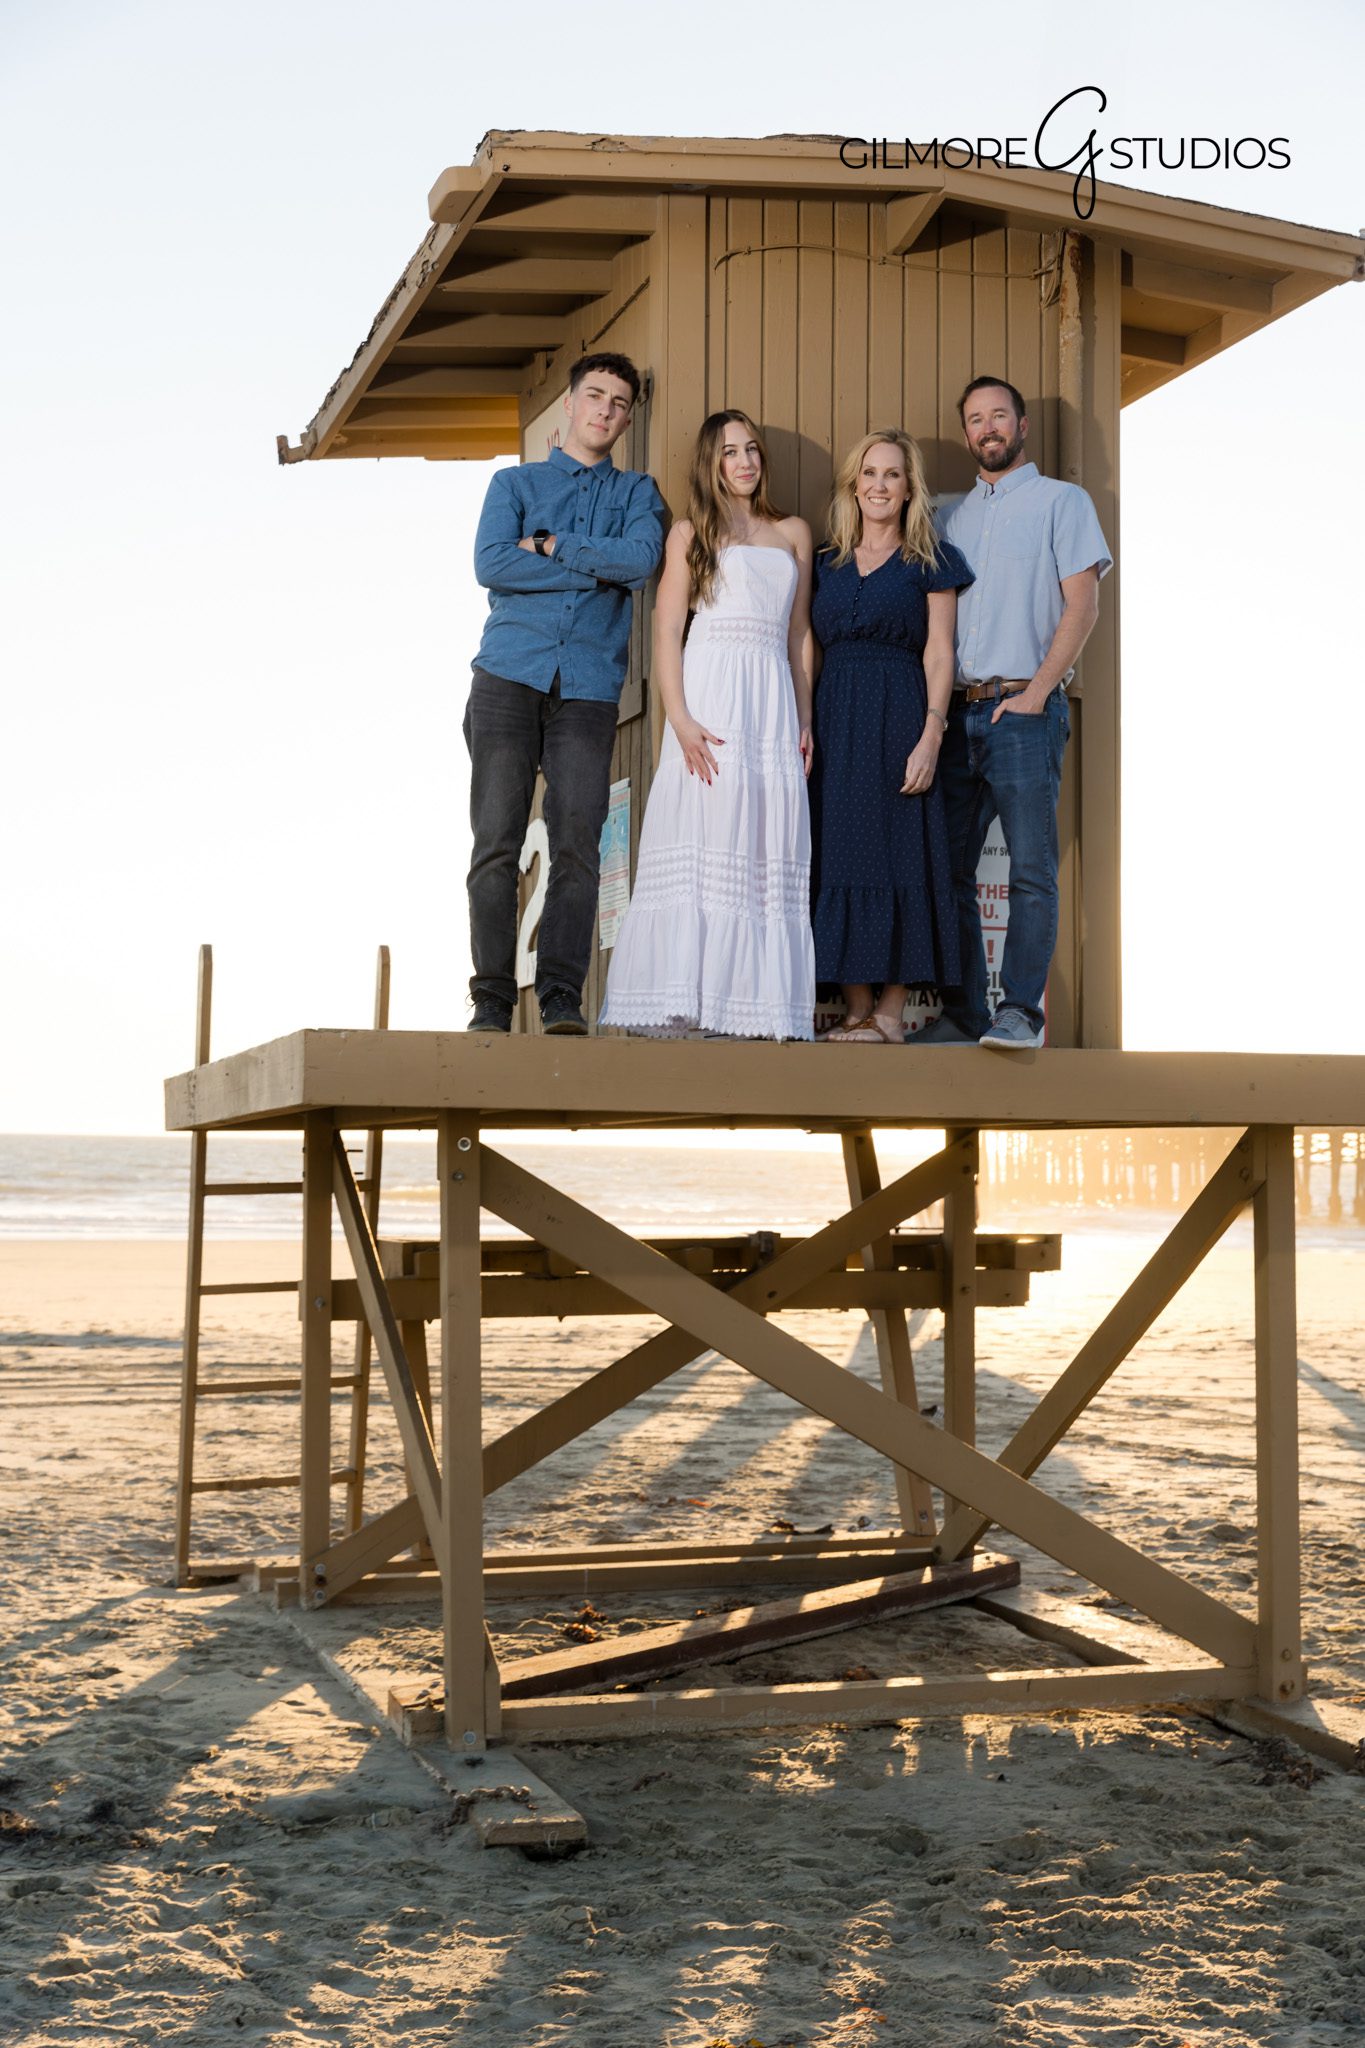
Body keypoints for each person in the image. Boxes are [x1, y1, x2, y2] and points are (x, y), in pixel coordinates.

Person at [464, 352, 667, 1035]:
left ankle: (560, 997)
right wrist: (591, 568)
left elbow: (638, 564)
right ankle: (490, 1001)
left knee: (579, 842)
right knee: (494, 842)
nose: (605, 411)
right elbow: (490, 563)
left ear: (627, 416)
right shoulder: (513, 484)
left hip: (586, 691)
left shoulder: (640, 495)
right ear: (570, 406)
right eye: (594, 397)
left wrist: (548, 547)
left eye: (618, 402)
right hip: (507, 678)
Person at [599, 410, 816, 1040]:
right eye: (730, 452)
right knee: (708, 831)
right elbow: (668, 629)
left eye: (752, 449)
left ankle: (751, 1005)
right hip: (711, 694)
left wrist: (805, 714)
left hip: (770, 697)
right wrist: (681, 719)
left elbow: (800, 632)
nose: (745, 461)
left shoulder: (794, 532)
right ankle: (689, 1000)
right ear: (711, 463)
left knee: (762, 838)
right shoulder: (689, 534)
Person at [924, 376, 1111, 1051]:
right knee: (946, 870)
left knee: (1030, 868)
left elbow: (1081, 604)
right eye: (974, 419)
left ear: (1021, 426)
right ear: (967, 434)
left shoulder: (1062, 502)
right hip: (959, 715)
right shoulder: (951, 519)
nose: (987, 428)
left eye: (998, 415)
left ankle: (1019, 1015)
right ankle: (967, 1013)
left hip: (1023, 710)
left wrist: (1035, 691)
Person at [809, 430, 974, 1045]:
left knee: (903, 850)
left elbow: (940, 653)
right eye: (870, 473)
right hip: (835, 716)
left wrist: (932, 733)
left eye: (893, 475)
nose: (880, 485)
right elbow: (808, 649)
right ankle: (856, 1011)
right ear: (856, 483)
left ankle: (890, 1017)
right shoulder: (826, 562)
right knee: (840, 850)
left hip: (902, 711)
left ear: (910, 489)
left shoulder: (931, 562)